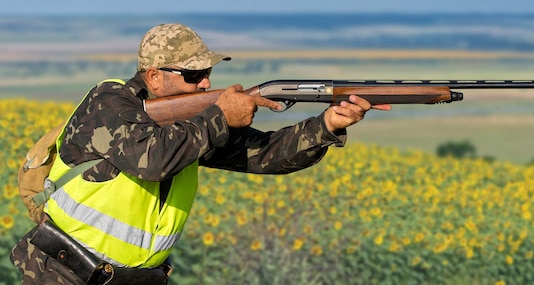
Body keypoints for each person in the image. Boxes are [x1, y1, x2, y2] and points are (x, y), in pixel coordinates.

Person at [9, 23, 391, 285]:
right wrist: (220, 115)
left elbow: (265, 155)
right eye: (192, 76)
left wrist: (328, 125)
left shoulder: (189, 128)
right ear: (154, 76)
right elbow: (153, 161)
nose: (206, 83)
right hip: (62, 273)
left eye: (206, 72)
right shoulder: (108, 103)